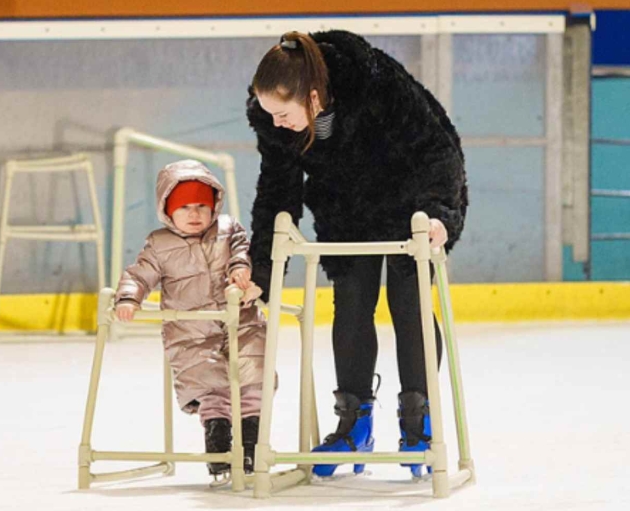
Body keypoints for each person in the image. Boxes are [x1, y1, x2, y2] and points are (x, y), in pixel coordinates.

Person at [246, 30, 467, 478]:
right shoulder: (274, 121)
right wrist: (263, 270)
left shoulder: (375, 83)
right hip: (346, 205)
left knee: (409, 303)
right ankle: (353, 424)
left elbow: (438, 148)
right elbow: (277, 191)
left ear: (312, 96)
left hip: (412, 200)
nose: (276, 123)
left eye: (284, 113)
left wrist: (440, 213)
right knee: (349, 303)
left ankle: (418, 422)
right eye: (268, 112)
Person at [114, 159, 265, 482]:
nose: (194, 214)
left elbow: (242, 250)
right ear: (168, 211)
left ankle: (251, 443)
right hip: (191, 332)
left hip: (241, 322)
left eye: (201, 205)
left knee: (253, 376)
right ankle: (219, 445)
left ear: (214, 206)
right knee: (210, 385)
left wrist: (241, 268)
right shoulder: (159, 244)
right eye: (184, 207)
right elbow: (139, 275)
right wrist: (128, 297)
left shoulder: (228, 229)